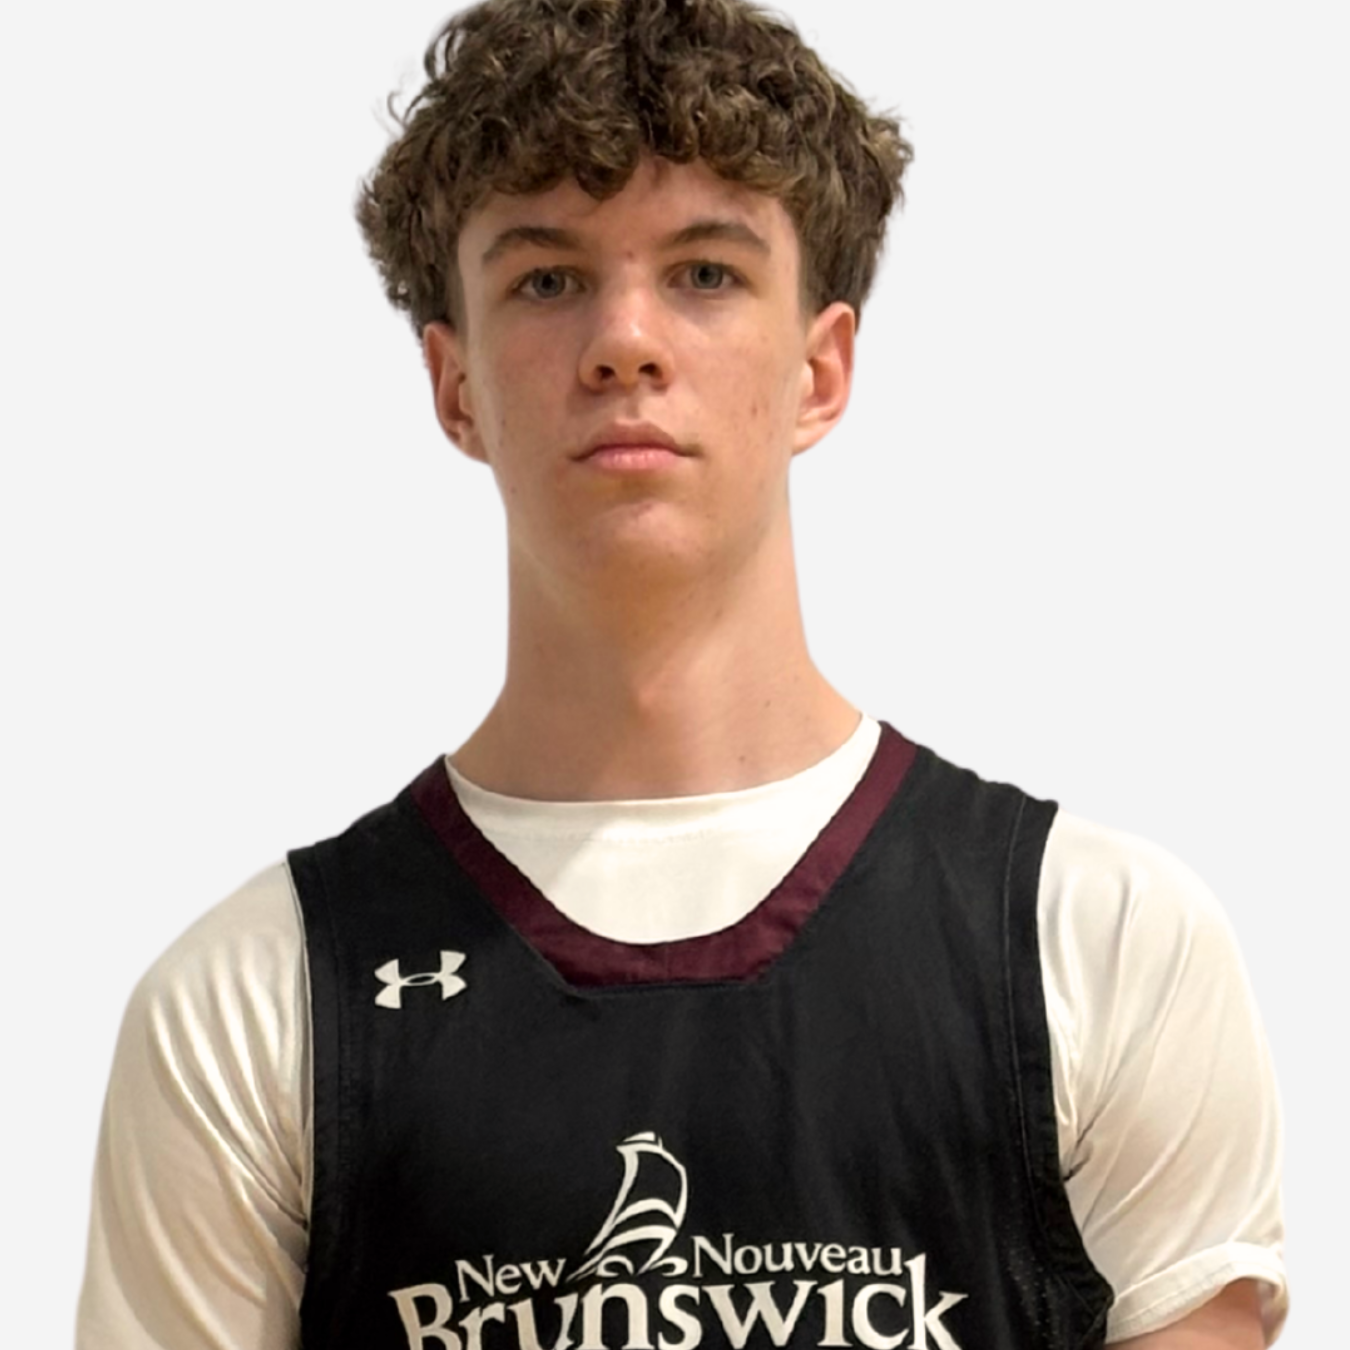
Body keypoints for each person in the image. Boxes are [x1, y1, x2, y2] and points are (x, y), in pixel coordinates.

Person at [76, 0, 1287, 1347]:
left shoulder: (1100, 942)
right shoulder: (252, 1004)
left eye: (705, 273)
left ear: (820, 369)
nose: (625, 339)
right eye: (547, 280)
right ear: (455, 385)